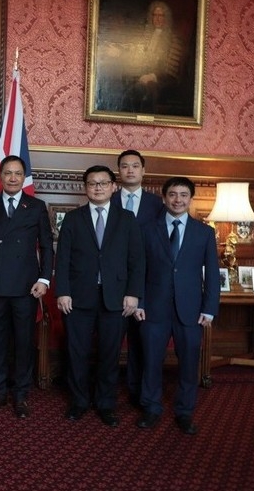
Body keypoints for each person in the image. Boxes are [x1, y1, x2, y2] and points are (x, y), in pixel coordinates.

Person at [55, 165, 144, 427]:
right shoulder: (73, 219)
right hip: (78, 298)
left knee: (109, 354)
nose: (98, 187)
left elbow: (137, 260)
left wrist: (133, 294)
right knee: (77, 353)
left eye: (103, 183)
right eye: (92, 183)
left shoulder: (127, 219)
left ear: (113, 187)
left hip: (116, 299)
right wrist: (63, 292)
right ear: (85, 188)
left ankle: (106, 404)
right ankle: (79, 401)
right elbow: (63, 259)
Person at [136, 177, 219, 435]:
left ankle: (185, 411)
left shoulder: (204, 233)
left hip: (191, 311)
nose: (178, 200)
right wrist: (139, 301)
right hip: (153, 308)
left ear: (190, 199)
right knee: (151, 361)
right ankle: (151, 408)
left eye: (183, 195)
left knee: (189, 363)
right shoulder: (147, 229)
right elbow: (138, 269)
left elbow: (212, 274)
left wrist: (209, 308)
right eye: (172, 194)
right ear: (164, 198)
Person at [0, 155, 53, 418]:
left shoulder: (36, 206)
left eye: (18, 173)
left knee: (23, 342)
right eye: (8, 173)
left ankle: (21, 395)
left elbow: (46, 246)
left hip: (26, 287)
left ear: (24, 177)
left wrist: (44, 279)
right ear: (0, 176)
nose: (13, 178)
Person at [112, 149, 164, 408]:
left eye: (135, 166)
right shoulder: (108, 199)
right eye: (124, 166)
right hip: (113, 281)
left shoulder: (157, 204)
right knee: (111, 340)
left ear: (144, 171)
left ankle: (137, 392)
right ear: (118, 172)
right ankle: (108, 395)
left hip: (146, 282)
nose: (130, 170)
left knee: (141, 341)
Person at [96, 0, 188, 114]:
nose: (157, 19)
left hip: (161, 80)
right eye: (155, 15)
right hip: (142, 74)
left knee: (138, 90)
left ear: (166, 18)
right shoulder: (146, 36)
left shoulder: (174, 40)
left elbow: (171, 72)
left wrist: (152, 76)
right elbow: (136, 54)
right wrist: (120, 51)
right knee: (117, 81)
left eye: (161, 16)